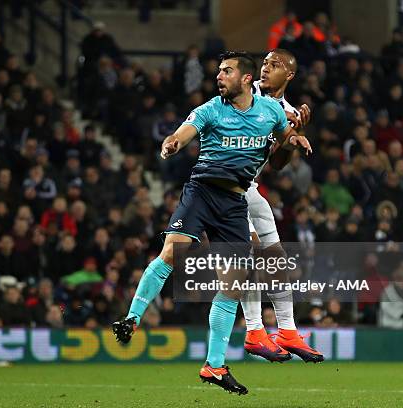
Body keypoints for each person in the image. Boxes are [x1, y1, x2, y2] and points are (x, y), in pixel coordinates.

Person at [113, 51, 311, 395]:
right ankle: (131, 318)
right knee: (174, 251)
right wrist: (173, 142)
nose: (219, 76)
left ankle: (215, 366)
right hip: (202, 192)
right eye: (219, 71)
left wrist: (293, 139)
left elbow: (278, 157)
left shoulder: (270, 113)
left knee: (234, 283)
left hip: (235, 201)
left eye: (227, 71)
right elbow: (185, 131)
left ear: (245, 79)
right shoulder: (210, 109)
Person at [242, 49, 324, 363]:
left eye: (274, 65)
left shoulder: (287, 110)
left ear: (289, 75)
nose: (265, 68)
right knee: (248, 251)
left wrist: (295, 132)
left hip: (249, 187)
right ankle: (253, 332)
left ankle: (288, 332)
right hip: (223, 187)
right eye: (264, 63)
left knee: (276, 260)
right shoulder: (244, 93)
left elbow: (276, 164)